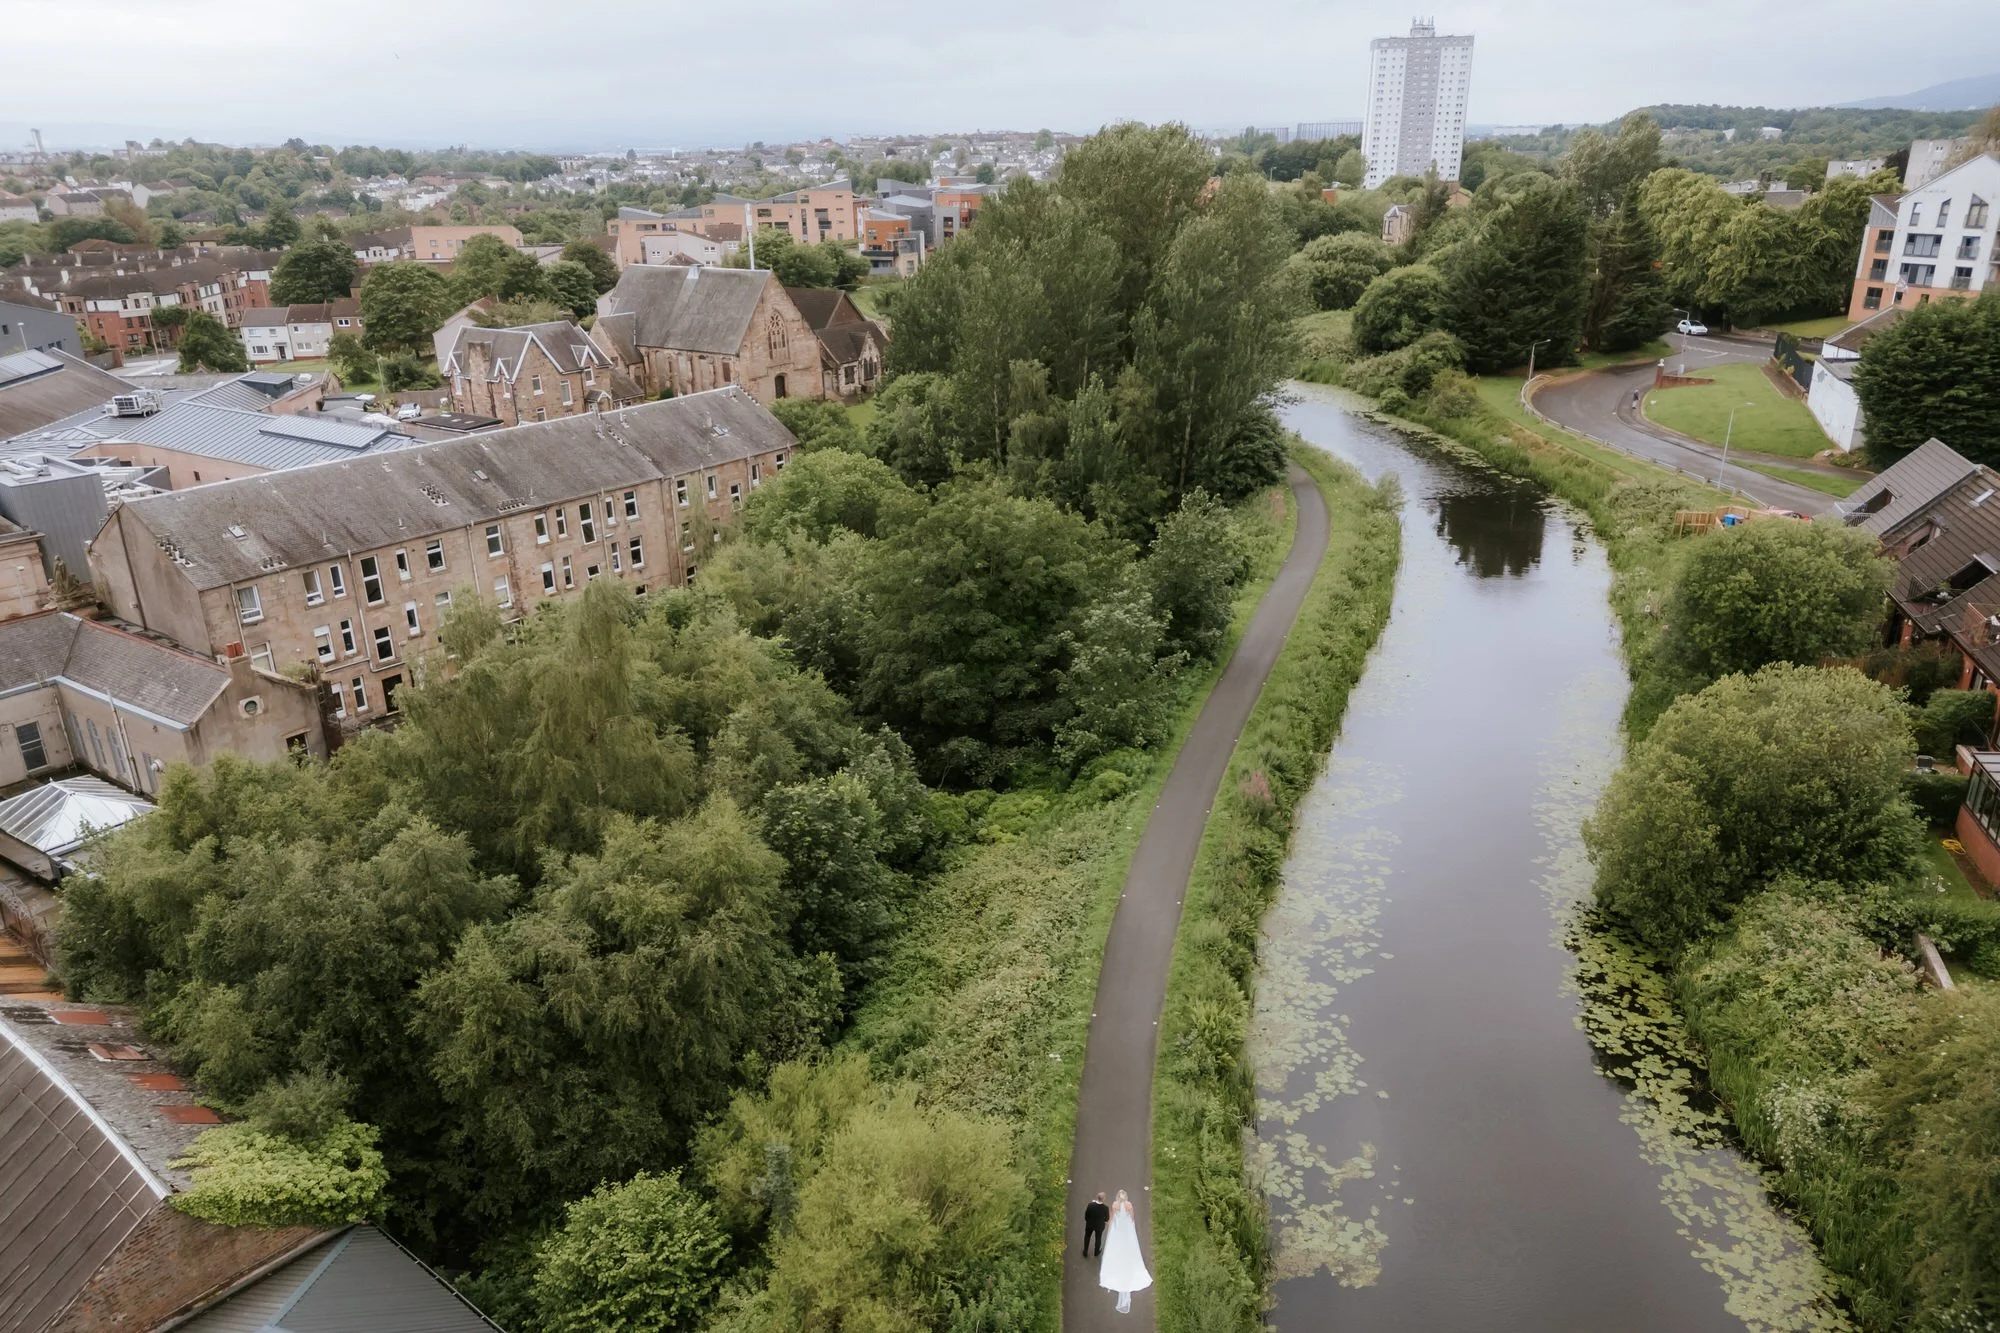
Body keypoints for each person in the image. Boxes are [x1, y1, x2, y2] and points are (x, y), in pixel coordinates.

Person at [1098, 1189, 1152, 1314]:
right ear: (1126, 1197)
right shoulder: (1129, 1205)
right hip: (1126, 1227)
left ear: (1117, 1197)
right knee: (1130, 1246)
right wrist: (1129, 1223)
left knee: (1114, 1246)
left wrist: (1109, 1225)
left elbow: (1112, 1217)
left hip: (1117, 1228)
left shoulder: (1114, 1205)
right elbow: (1132, 1217)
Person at [1082, 1192, 1109, 1258]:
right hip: (1099, 1226)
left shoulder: (1090, 1205)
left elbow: (1086, 1214)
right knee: (1098, 1239)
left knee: (1087, 1237)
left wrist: (1087, 1220)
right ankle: (1096, 1252)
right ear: (1103, 1199)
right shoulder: (1105, 1208)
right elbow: (1107, 1218)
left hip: (1090, 1224)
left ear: (1097, 1197)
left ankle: (1085, 1251)